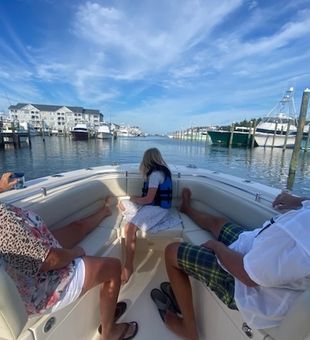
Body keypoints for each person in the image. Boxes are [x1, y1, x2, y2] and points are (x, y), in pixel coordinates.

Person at [160, 188, 310, 340]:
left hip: (246, 289)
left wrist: (217, 247)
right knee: (219, 223)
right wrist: (298, 201)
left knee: (171, 252)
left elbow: (248, 276)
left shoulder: (303, 239)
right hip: (254, 248)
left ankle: (189, 330)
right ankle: (187, 209)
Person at [0, 176, 138, 340]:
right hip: (43, 287)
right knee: (114, 267)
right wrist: (76, 252)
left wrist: (2, 187)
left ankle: (104, 212)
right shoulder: (3, 224)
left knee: (77, 228)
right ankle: (109, 332)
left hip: (37, 252)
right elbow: (49, 260)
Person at [119, 148, 180, 283]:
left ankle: (128, 266)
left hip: (157, 209)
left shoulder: (155, 174)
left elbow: (148, 199)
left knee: (129, 228)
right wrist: (134, 199)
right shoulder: (160, 172)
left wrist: (134, 199)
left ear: (147, 160)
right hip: (152, 206)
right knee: (121, 204)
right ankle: (138, 219)